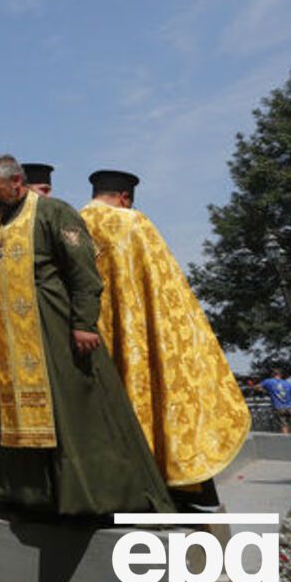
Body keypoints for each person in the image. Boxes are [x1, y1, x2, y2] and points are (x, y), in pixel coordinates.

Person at [0, 154, 172, 516]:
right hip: (14, 345)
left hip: (55, 330)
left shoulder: (53, 213)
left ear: (16, 181)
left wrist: (83, 323)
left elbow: (83, 270)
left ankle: (95, 499)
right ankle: (37, 498)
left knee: (74, 414)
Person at [80, 169, 251, 489]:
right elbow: (166, 289)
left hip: (91, 335)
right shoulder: (133, 222)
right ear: (124, 198)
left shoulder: (74, 224)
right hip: (137, 336)